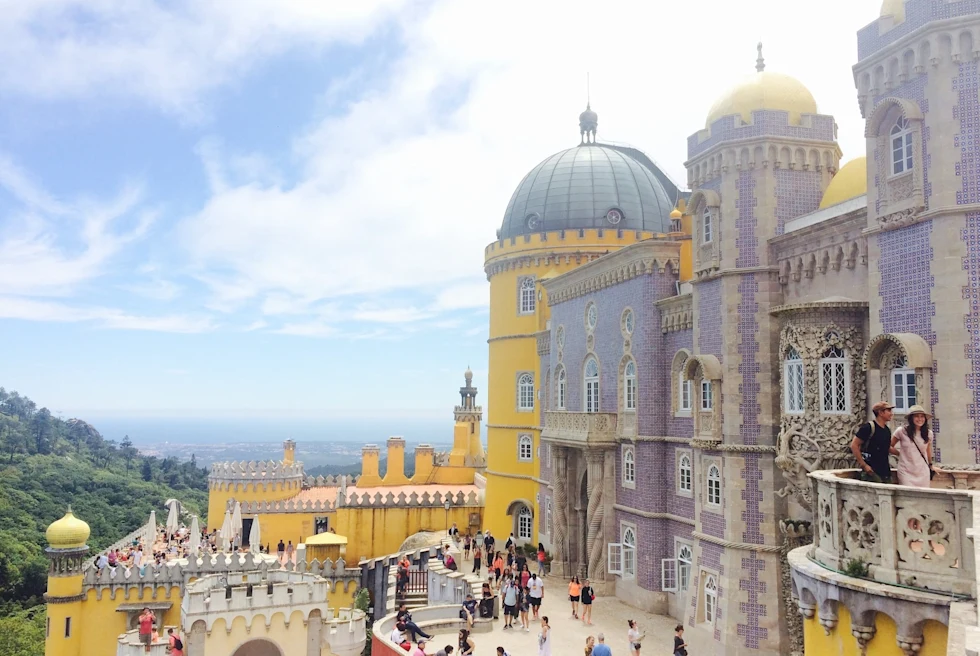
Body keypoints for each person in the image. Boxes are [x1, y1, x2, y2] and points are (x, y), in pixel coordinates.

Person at [890, 405, 935, 487]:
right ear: (911, 418)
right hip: (905, 471)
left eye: (922, 416)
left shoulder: (929, 433)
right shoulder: (901, 431)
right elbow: (889, 446)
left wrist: (931, 465)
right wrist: (900, 453)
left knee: (923, 497)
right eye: (917, 416)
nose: (920, 419)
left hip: (922, 471)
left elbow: (928, 450)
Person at [851, 401, 895, 482]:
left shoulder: (887, 430)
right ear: (881, 413)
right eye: (888, 411)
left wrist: (901, 453)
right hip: (871, 470)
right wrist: (864, 465)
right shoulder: (868, 428)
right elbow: (854, 445)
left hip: (885, 470)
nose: (891, 413)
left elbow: (887, 447)